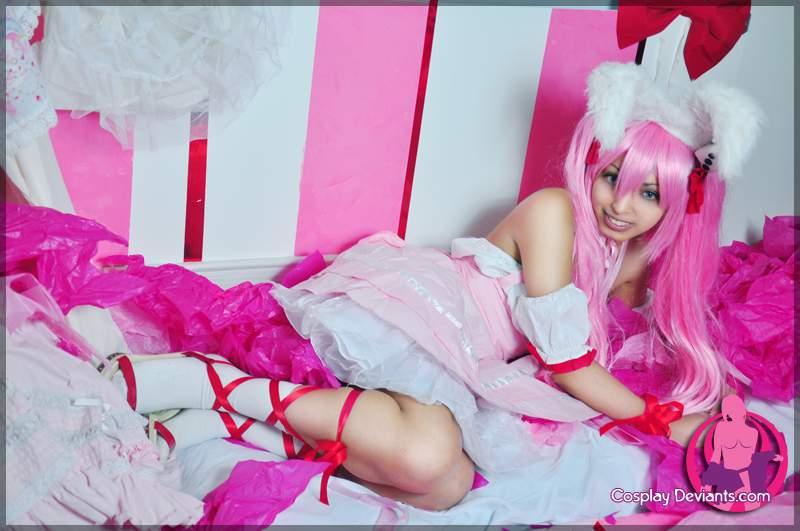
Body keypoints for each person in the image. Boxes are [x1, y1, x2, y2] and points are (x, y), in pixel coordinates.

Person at [102, 62, 763, 511]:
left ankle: (228, 418)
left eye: (649, 193)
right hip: (423, 321)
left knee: (445, 484)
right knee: (430, 458)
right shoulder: (555, 212)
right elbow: (568, 362)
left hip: (466, 362)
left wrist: (714, 404)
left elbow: (639, 336)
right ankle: (205, 381)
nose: (620, 203)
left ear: (678, 203)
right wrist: (660, 420)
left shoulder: (617, 254)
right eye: (612, 178)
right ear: (591, 167)